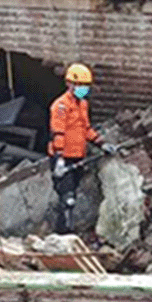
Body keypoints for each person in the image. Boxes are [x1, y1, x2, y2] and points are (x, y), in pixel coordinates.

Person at [49, 63, 102, 234]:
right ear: (69, 84)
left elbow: (86, 129)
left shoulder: (83, 105)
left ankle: (66, 228)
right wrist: (59, 159)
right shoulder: (60, 106)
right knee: (67, 198)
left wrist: (101, 143)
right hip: (63, 158)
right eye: (80, 85)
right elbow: (57, 132)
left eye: (86, 86)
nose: (83, 89)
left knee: (73, 195)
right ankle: (63, 233)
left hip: (78, 155)